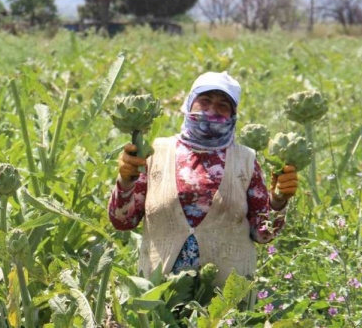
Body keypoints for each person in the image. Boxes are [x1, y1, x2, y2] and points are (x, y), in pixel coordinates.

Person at [109, 71, 298, 287]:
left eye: (223, 106)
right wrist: (125, 182)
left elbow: (263, 234)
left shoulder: (246, 160)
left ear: (233, 116)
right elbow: (123, 221)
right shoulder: (154, 153)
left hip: (224, 296)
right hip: (159, 292)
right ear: (189, 104)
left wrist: (278, 201)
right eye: (205, 101)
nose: (212, 110)